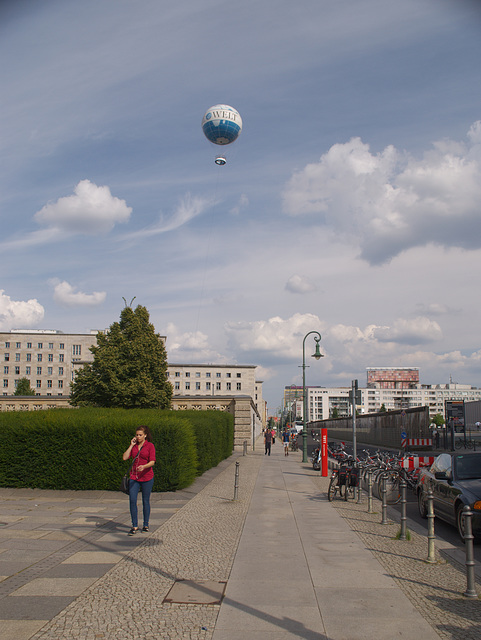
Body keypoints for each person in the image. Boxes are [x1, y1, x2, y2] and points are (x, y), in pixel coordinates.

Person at [122, 425, 156, 535]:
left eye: (140, 435)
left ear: (145, 435)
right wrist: (131, 445)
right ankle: (134, 525)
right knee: (132, 500)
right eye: (137, 435)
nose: (138, 437)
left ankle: (145, 524)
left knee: (145, 500)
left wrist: (144, 466)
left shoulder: (150, 446)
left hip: (147, 476)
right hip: (134, 477)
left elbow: (152, 461)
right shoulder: (134, 446)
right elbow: (125, 457)